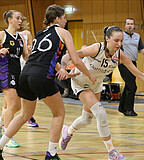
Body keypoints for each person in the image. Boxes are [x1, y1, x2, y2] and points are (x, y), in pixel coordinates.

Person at [59, 26, 144, 160]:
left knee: (86, 119)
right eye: (116, 41)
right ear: (107, 39)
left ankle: (67, 131)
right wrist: (63, 68)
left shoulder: (120, 56)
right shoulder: (96, 49)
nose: (119, 44)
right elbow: (69, 55)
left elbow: (140, 75)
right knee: (101, 113)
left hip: (96, 84)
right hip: (80, 81)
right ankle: (112, 152)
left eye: (121, 41)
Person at [0, 4, 96, 160]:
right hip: (41, 75)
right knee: (59, 113)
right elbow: (76, 60)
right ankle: (51, 154)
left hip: (25, 75)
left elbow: (41, 57)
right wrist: (89, 75)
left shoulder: (39, 34)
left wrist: (62, 70)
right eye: (64, 18)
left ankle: (0, 146)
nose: (66, 21)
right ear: (57, 18)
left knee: (25, 114)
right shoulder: (63, 32)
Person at [0, 10, 29, 148]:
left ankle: (1, 126)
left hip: (18, 73)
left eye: (21, 18)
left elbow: (25, 57)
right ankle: (8, 137)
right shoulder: (2, 35)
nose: (20, 20)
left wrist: (31, 51)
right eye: (18, 18)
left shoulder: (20, 37)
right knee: (12, 105)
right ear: (9, 19)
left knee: (16, 106)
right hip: (5, 72)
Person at [118, 18, 144, 116]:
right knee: (132, 86)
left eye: (131, 24)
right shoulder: (121, 36)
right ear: (125, 25)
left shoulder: (137, 36)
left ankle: (122, 107)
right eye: (128, 24)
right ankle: (129, 110)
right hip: (123, 64)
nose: (130, 25)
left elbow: (141, 49)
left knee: (128, 85)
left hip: (133, 63)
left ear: (134, 26)